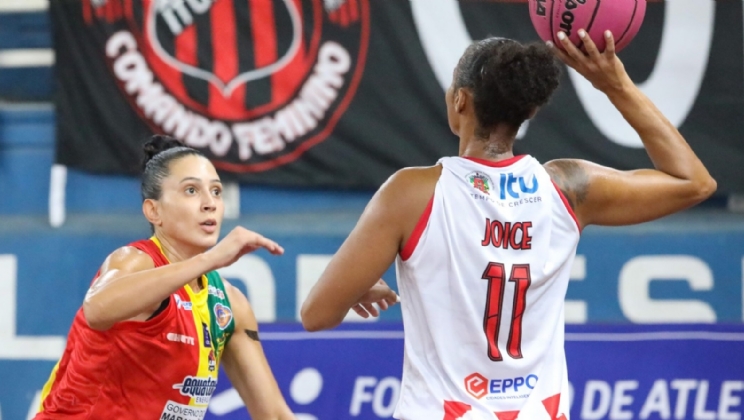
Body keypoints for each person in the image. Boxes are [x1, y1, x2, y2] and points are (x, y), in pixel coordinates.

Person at [300, 30, 716, 419]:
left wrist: (357, 281)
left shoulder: (412, 193)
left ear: (460, 100)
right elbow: (694, 182)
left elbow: (316, 314)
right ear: (528, 109)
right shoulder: (568, 188)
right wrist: (615, 86)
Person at [35, 136, 296, 420]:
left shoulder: (229, 304)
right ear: (153, 211)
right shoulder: (133, 261)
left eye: (217, 191)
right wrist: (209, 259)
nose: (209, 203)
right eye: (191, 191)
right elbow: (97, 308)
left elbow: (275, 416)